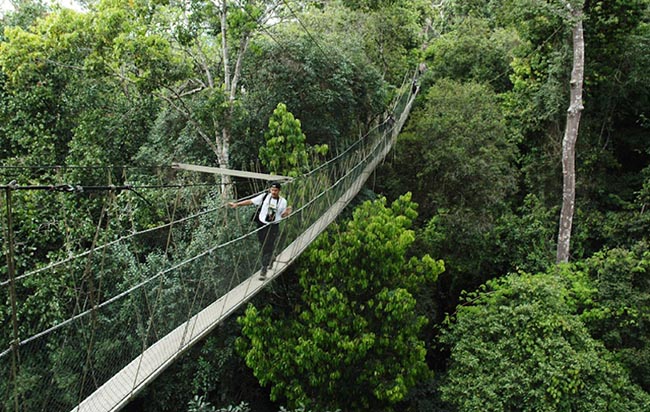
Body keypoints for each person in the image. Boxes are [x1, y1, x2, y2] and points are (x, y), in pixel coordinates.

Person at [228, 182, 292, 280]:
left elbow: (282, 215)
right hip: (262, 224)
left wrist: (287, 213)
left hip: (273, 226)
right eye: (272, 190)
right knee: (263, 244)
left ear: (279, 191)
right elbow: (251, 201)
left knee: (268, 246)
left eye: (275, 190)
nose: (273, 192)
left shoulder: (283, 201)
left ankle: (264, 269)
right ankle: (271, 257)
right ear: (270, 189)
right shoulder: (265, 196)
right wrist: (237, 204)